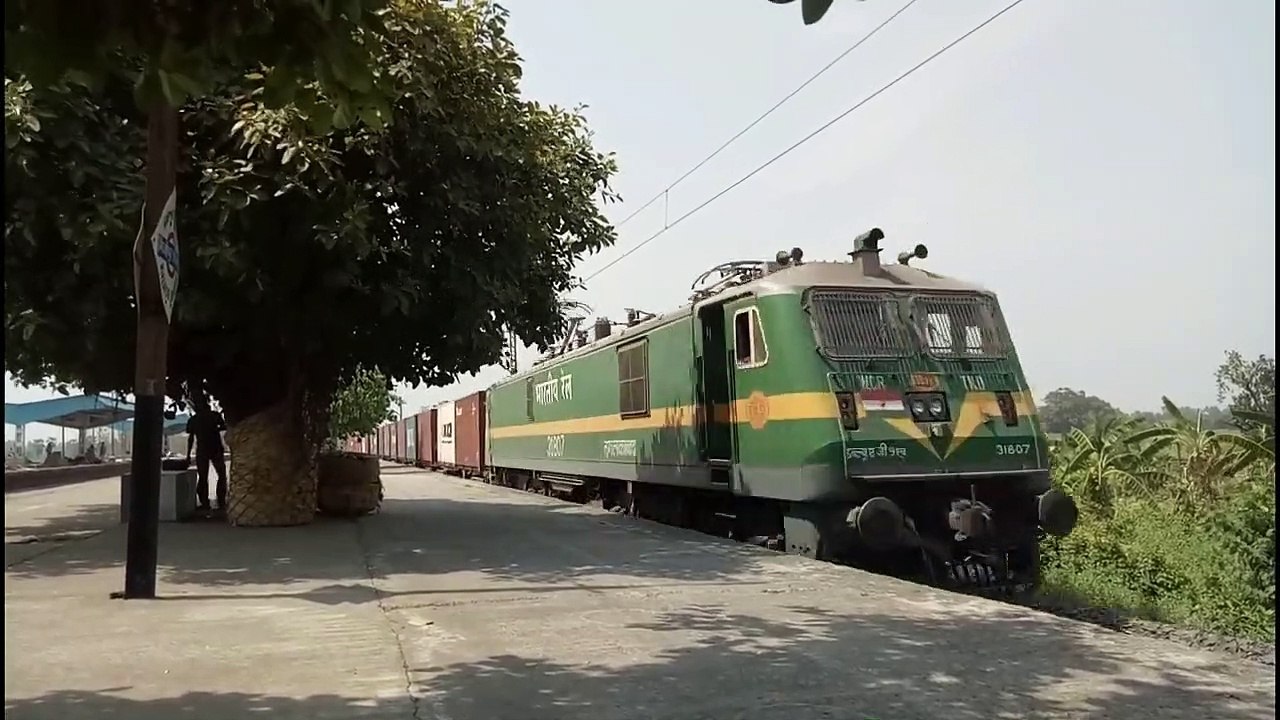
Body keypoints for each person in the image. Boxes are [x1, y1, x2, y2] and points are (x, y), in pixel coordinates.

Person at [186, 393, 229, 512]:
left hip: (204, 449)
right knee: (220, 475)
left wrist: (188, 455)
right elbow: (224, 427)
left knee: (204, 476)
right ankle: (219, 501)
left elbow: (190, 438)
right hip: (214, 448)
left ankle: (206, 502)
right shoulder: (214, 416)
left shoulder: (194, 419)